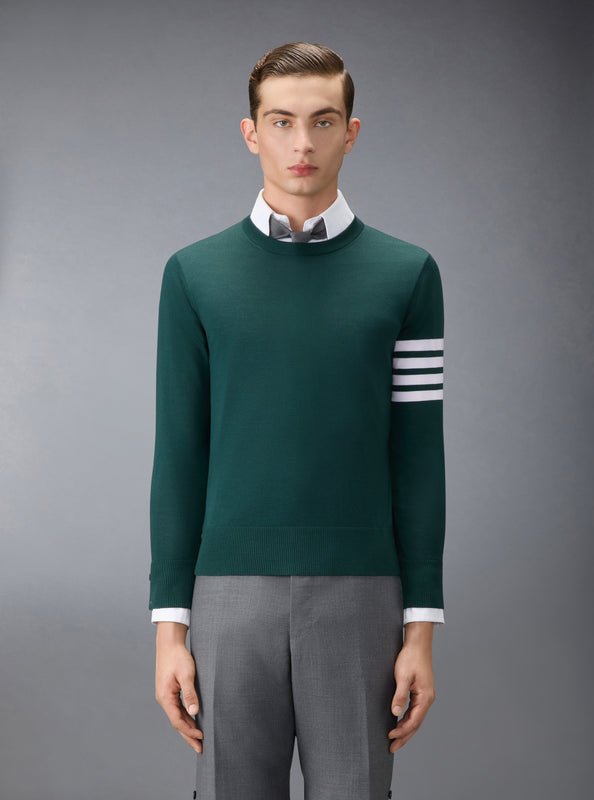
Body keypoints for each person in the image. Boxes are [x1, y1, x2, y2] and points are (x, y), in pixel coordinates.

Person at [148, 41, 446, 800]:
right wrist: (170, 629)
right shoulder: (194, 275)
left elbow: (418, 457)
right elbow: (179, 454)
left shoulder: (408, 274)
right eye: (281, 122)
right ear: (251, 133)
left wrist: (420, 630)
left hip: (362, 593)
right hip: (227, 594)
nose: (302, 142)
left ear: (352, 131)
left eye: (323, 121)